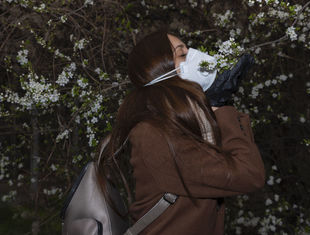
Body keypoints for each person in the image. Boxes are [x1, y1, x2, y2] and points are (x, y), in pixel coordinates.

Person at [98, 30, 265, 235]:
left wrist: (213, 106)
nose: (196, 57)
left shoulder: (177, 123)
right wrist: (222, 109)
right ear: (160, 70)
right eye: (182, 54)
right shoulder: (156, 134)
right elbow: (247, 174)